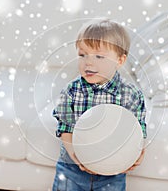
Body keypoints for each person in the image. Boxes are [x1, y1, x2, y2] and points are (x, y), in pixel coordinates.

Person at [52, 19, 147, 191]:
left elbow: (137, 131)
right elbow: (65, 128)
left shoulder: (131, 95)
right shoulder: (71, 91)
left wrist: (136, 154)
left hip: (112, 172)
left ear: (120, 60)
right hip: (72, 169)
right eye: (82, 55)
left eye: (99, 56)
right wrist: (76, 156)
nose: (88, 62)